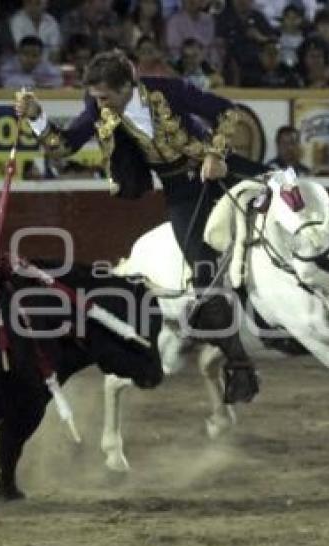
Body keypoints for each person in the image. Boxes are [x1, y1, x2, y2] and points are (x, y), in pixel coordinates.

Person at [15, 49, 262, 404]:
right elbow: (64, 147)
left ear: (127, 87)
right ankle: (240, 365)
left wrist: (215, 153)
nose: (99, 104)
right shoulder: (100, 108)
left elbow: (227, 111)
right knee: (204, 274)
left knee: (286, 188)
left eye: (105, 97)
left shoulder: (168, 90)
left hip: (218, 169)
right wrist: (37, 118)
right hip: (183, 191)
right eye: (96, 97)